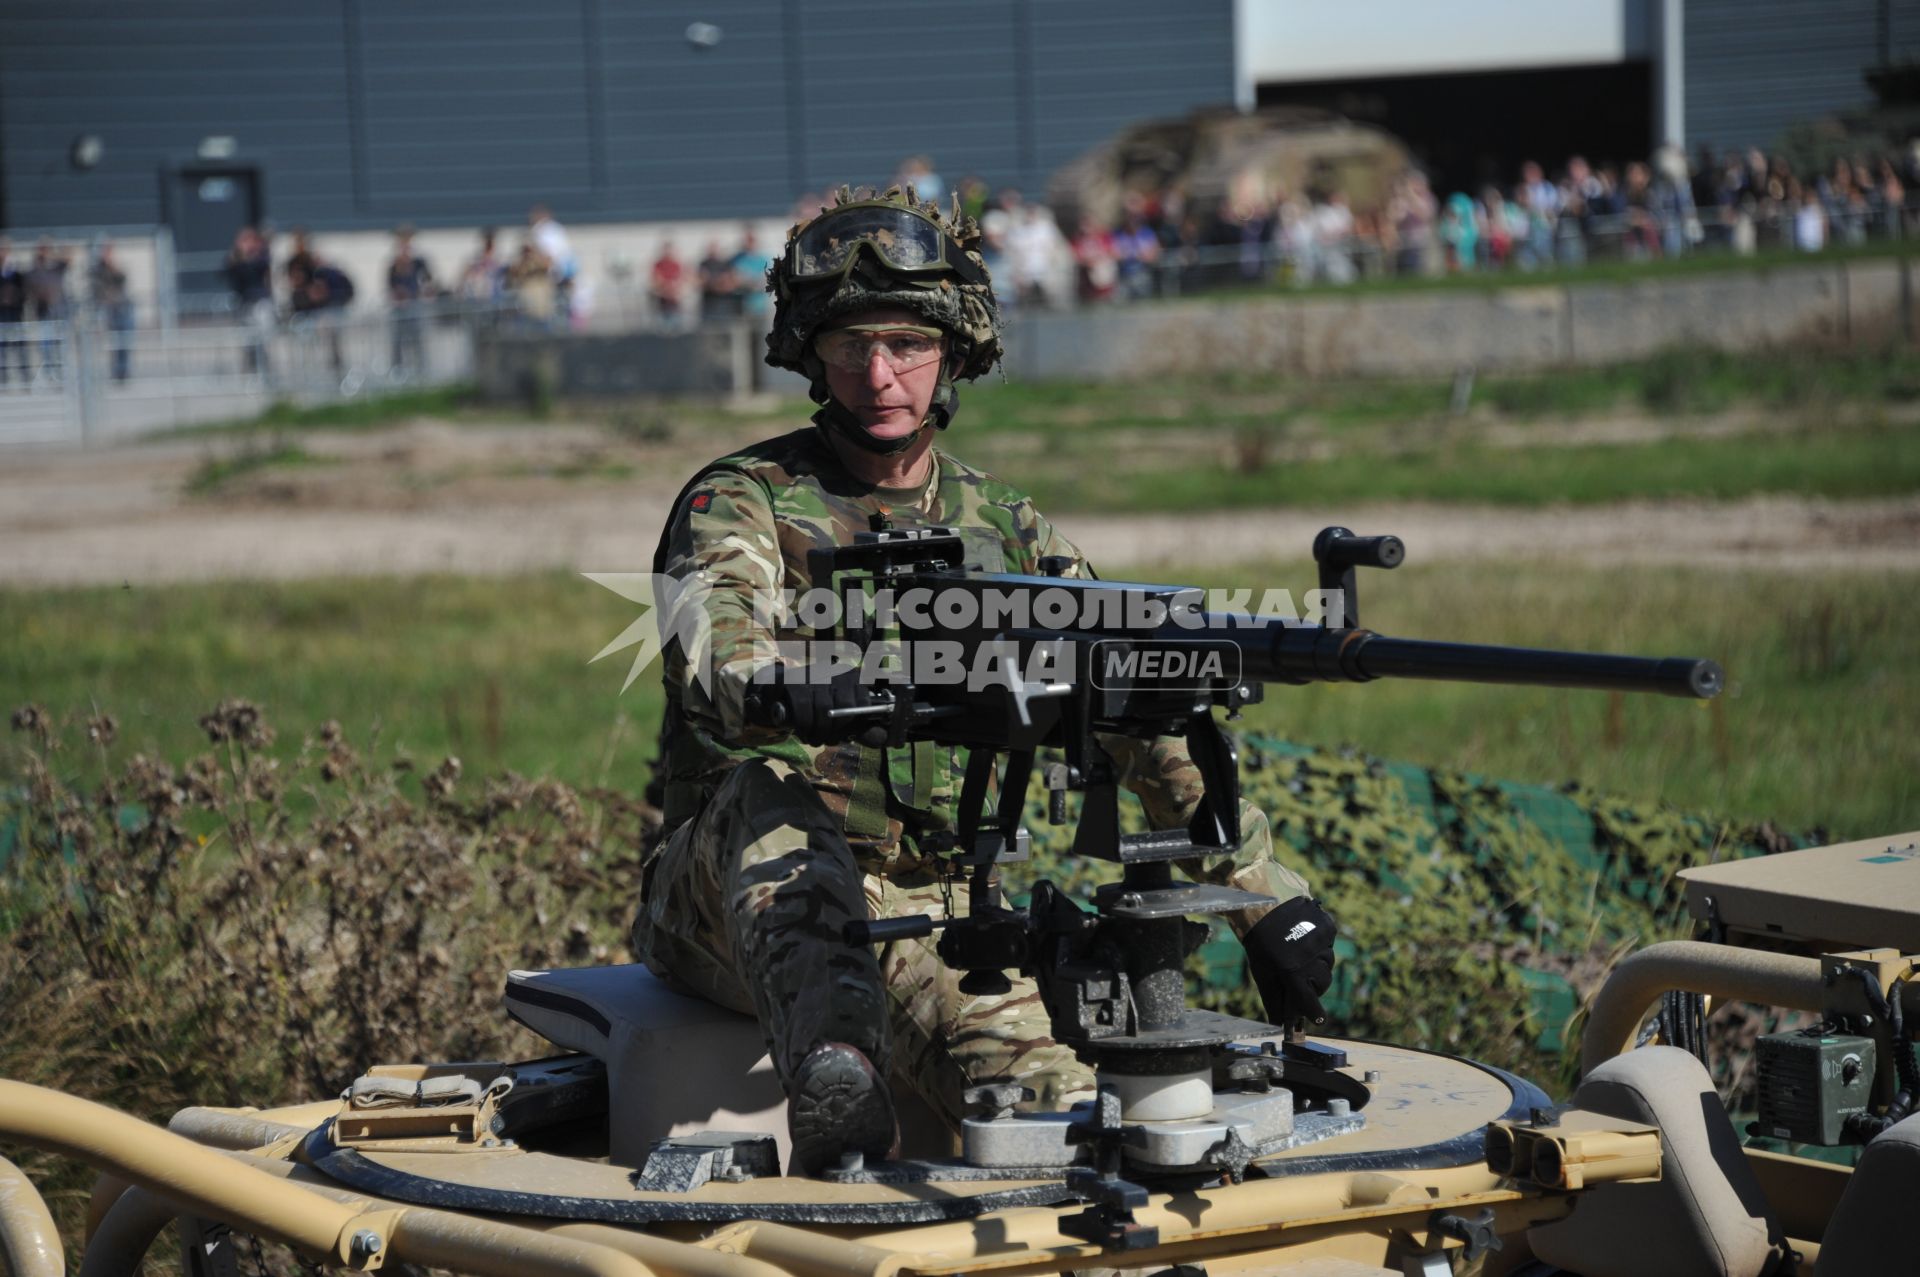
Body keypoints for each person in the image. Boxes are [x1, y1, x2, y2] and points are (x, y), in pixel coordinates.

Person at [632, 186, 1335, 1174]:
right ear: (810, 354)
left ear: (955, 349)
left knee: (1055, 1115)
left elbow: (1130, 693)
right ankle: (837, 1073)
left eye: (907, 345)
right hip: (729, 895)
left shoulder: (1004, 527)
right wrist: (793, 682)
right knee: (766, 786)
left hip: (934, 906)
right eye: (850, 347)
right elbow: (714, 636)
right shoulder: (740, 498)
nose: (879, 374)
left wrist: (1263, 894)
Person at [386, 225, 435, 375]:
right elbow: (391, 287)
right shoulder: (394, 265)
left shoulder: (419, 263)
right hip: (400, 310)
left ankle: (421, 371)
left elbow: (428, 281)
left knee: (417, 341)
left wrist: (424, 292)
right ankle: (397, 371)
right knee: (398, 342)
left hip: (415, 308)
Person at [87, 240, 134, 382]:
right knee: (112, 342)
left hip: (123, 307)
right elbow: (96, 289)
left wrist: (112, 265)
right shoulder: (97, 269)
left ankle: (124, 371)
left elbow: (122, 278)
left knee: (125, 341)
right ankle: (115, 371)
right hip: (109, 309)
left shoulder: (117, 265)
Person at [0, 240, 29, 388]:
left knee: (20, 345)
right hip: (2, 315)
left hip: (15, 314)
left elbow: (24, 292)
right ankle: (3, 378)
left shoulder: (16, 274)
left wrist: (13, 298)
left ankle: (25, 378)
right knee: (2, 348)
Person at [648, 241, 688, 329]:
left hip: (674, 303)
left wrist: (674, 290)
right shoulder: (658, 265)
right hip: (662, 303)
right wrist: (664, 288)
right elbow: (654, 282)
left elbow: (682, 281)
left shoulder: (676, 265)